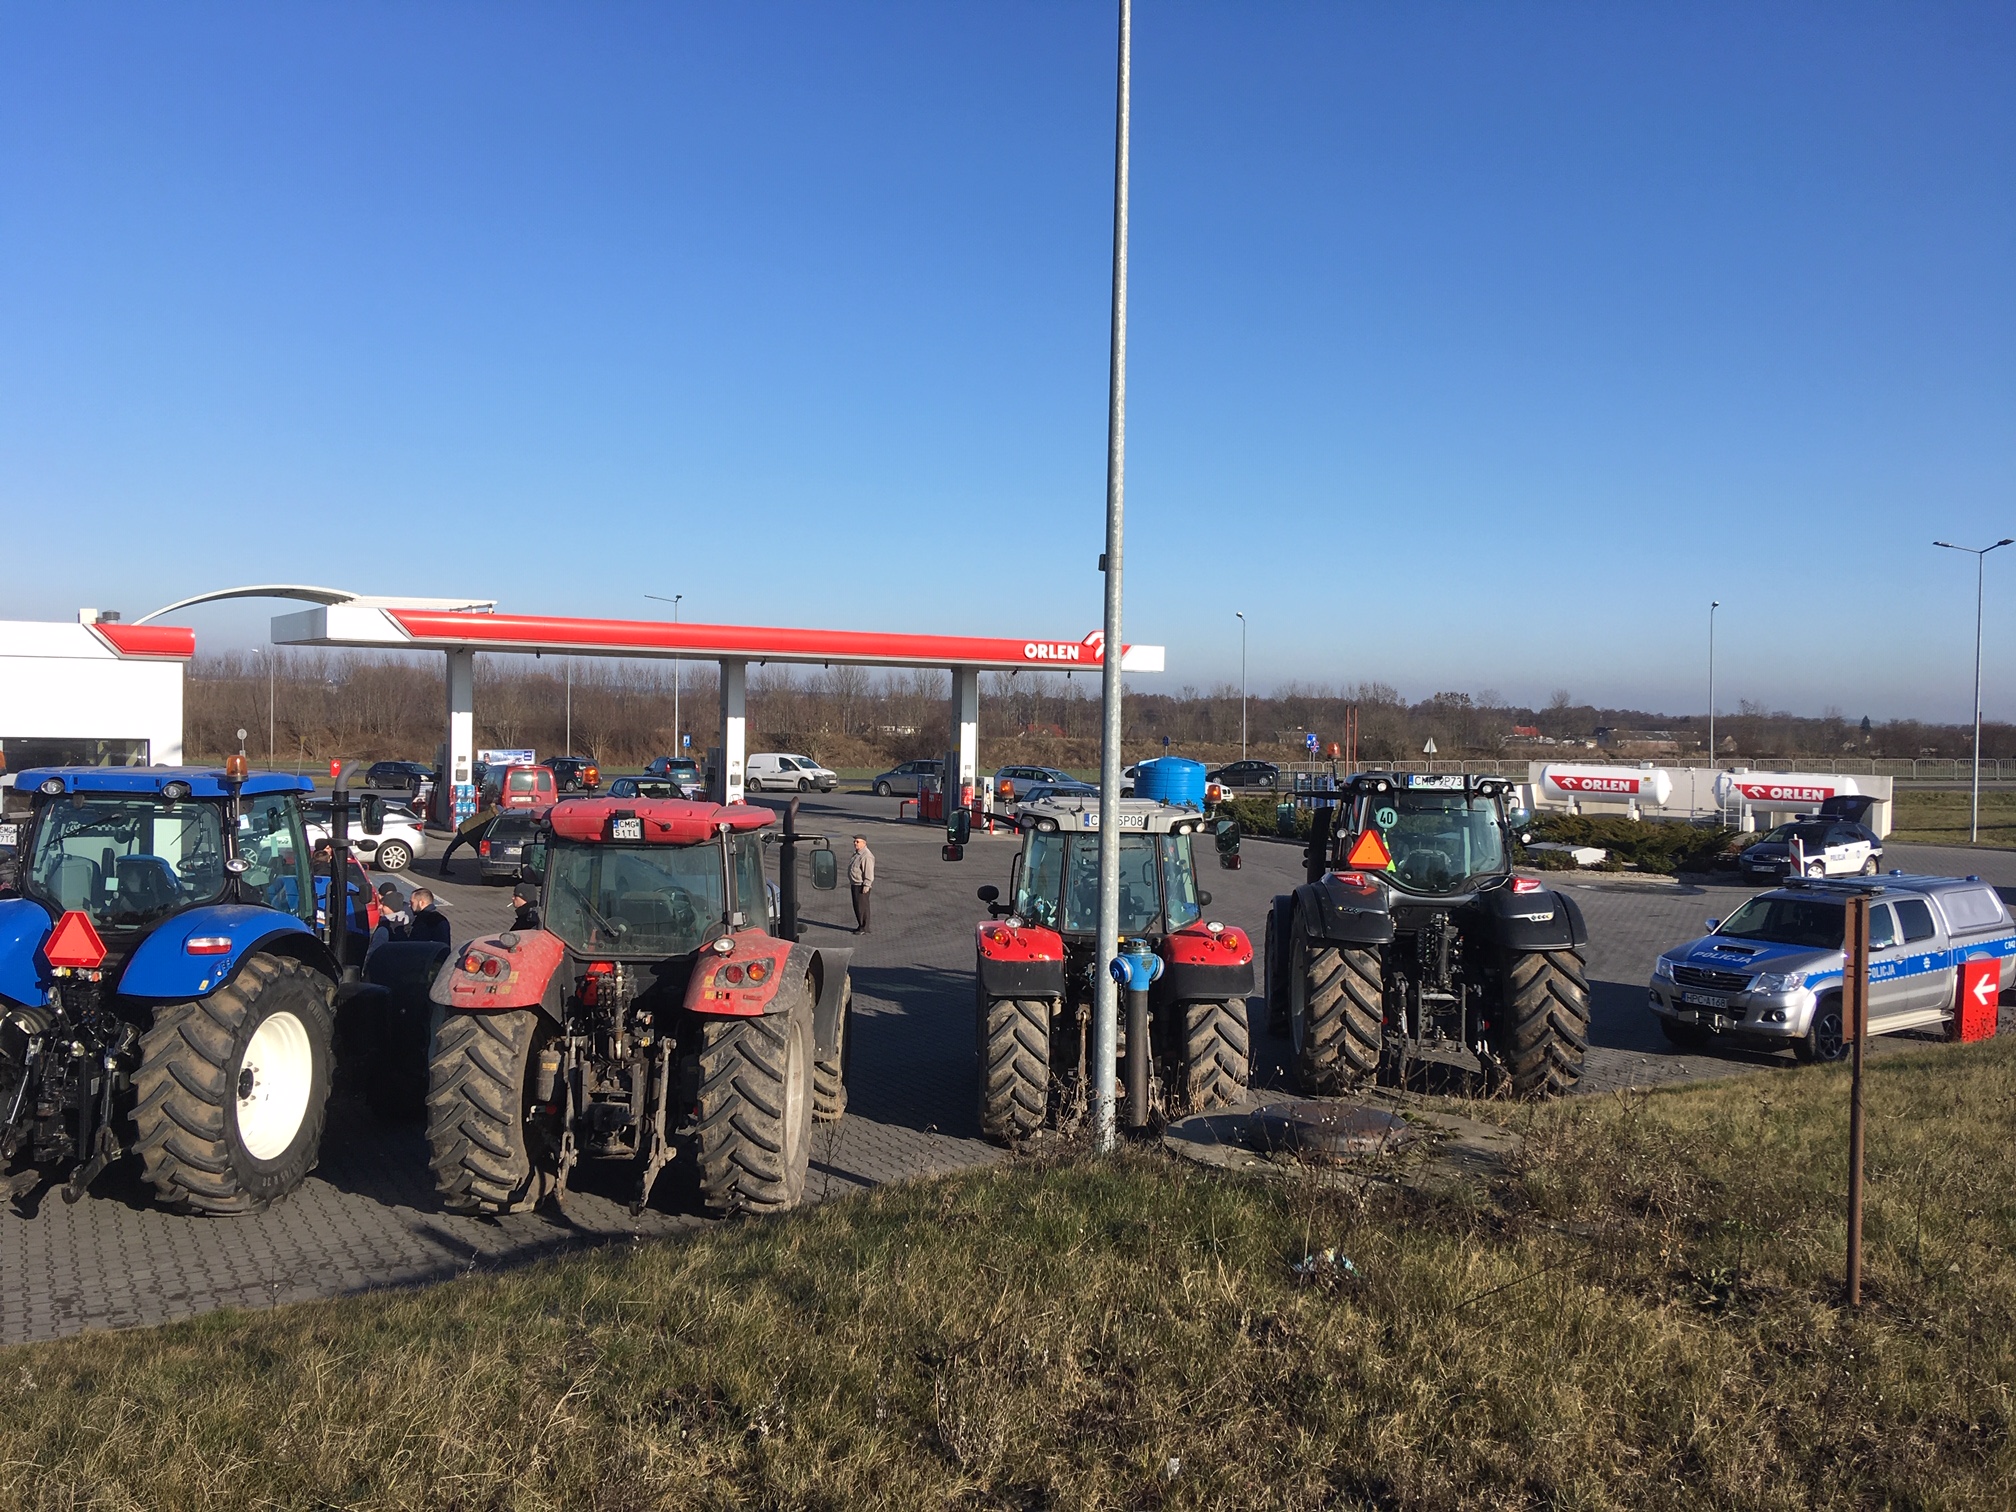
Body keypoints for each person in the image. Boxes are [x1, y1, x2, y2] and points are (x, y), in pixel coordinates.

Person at [437, 801, 500, 877]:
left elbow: (492, 805)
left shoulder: (491, 813)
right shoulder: (494, 818)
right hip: (469, 833)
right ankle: (484, 872)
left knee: (450, 850)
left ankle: (442, 869)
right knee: (480, 854)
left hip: (465, 828)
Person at [847, 834, 875, 935]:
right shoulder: (857, 854)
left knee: (862, 906)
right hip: (855, 883)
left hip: (861, 885)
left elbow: (868, 872)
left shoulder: (866, 856)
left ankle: (864, 927)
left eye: (857, 841)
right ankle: (860, 925)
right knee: (857, 906)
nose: (855, 843)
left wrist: (867, 885)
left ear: (864, 843)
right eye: (854, 841)